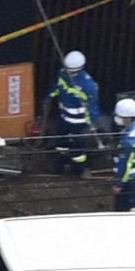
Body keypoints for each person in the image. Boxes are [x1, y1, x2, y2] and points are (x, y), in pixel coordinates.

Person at [44, 50, 101, 178]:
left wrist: (91, 123)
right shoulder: (62, 74)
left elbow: (93, 106)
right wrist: (49, 97)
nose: (68, 72)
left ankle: (79, 171)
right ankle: (60, 165)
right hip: (64, 117)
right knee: (60, 143)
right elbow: (56, 87)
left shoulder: (88, 85)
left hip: (79, 123)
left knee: (77, 149)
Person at [111, 98, 135, 212]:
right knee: (133, 202)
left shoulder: (128, 142)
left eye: (119, 117)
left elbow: (125, 164)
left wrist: (119, 184)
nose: (116, 119)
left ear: (127, 119)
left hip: (127, 178)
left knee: (123, 208)